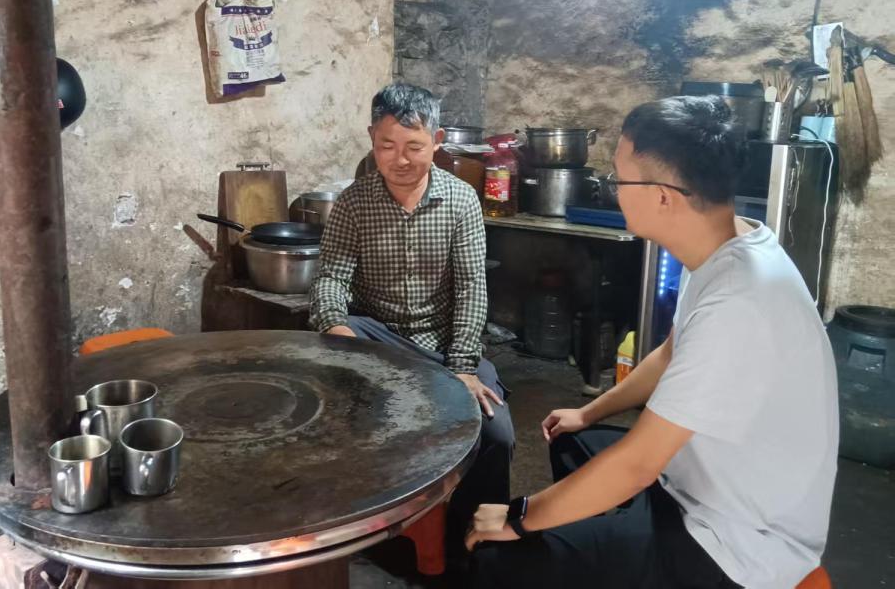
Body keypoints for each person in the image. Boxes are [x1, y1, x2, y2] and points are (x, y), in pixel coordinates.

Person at [467, 96, 839, 589]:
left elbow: (638, 464)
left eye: (620, 180)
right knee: (572, 441)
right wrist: (589, 412)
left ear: (664, 196)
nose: (613, 190)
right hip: (697, 485)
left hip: (735, 543)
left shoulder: (739, 303)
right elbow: (670, 353)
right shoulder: (728, 245)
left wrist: (518, 516)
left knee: (497, 556)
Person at [309, 82, 514, 543]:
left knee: (495, 430)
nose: (400, 160)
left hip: (440, 342)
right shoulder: (354, 202)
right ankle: (361, 525)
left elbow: (472, 287)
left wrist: (463, 367)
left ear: (437, 141)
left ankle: (477, 538)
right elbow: (331, 278)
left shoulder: (461, 200)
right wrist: (335, 325)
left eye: (414, 147)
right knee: (341, 411)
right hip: (377, 337)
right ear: (371, 139)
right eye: (387, 146)